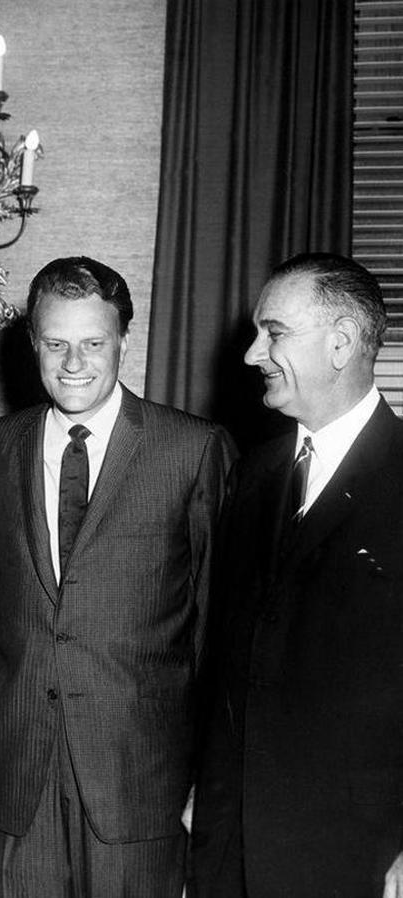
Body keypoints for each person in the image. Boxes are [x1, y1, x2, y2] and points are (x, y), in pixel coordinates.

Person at [0, 257, 235, 897]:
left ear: (123, 339)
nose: (73, 363)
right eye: (56, 344)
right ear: (32, 343)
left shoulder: (193, 449)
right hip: (18, 777)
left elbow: (217, 628)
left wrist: (213, 771)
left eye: (93, 343)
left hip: (140, 780)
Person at [190, 253, 403, 898]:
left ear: (340, 343)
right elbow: (226, 654)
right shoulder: (253, 473)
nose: (253, 354)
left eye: (274, 332)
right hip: (231, 843)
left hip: (355, 854)